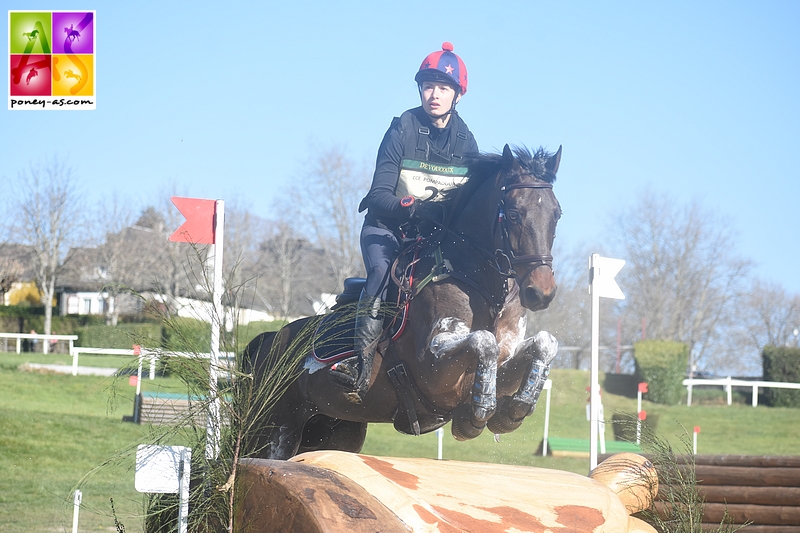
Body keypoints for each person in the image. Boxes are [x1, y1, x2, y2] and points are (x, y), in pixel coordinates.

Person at [329, 42, 479, 403]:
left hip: (431, 241)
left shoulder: (467, 141)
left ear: (457, 95)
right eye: (428, 86)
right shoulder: (402, 128)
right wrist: (412, 208)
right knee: (381, 273)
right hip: (387, 230)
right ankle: (360, 367)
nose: (434, 94)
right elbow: (378, 195)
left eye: (443, 87)